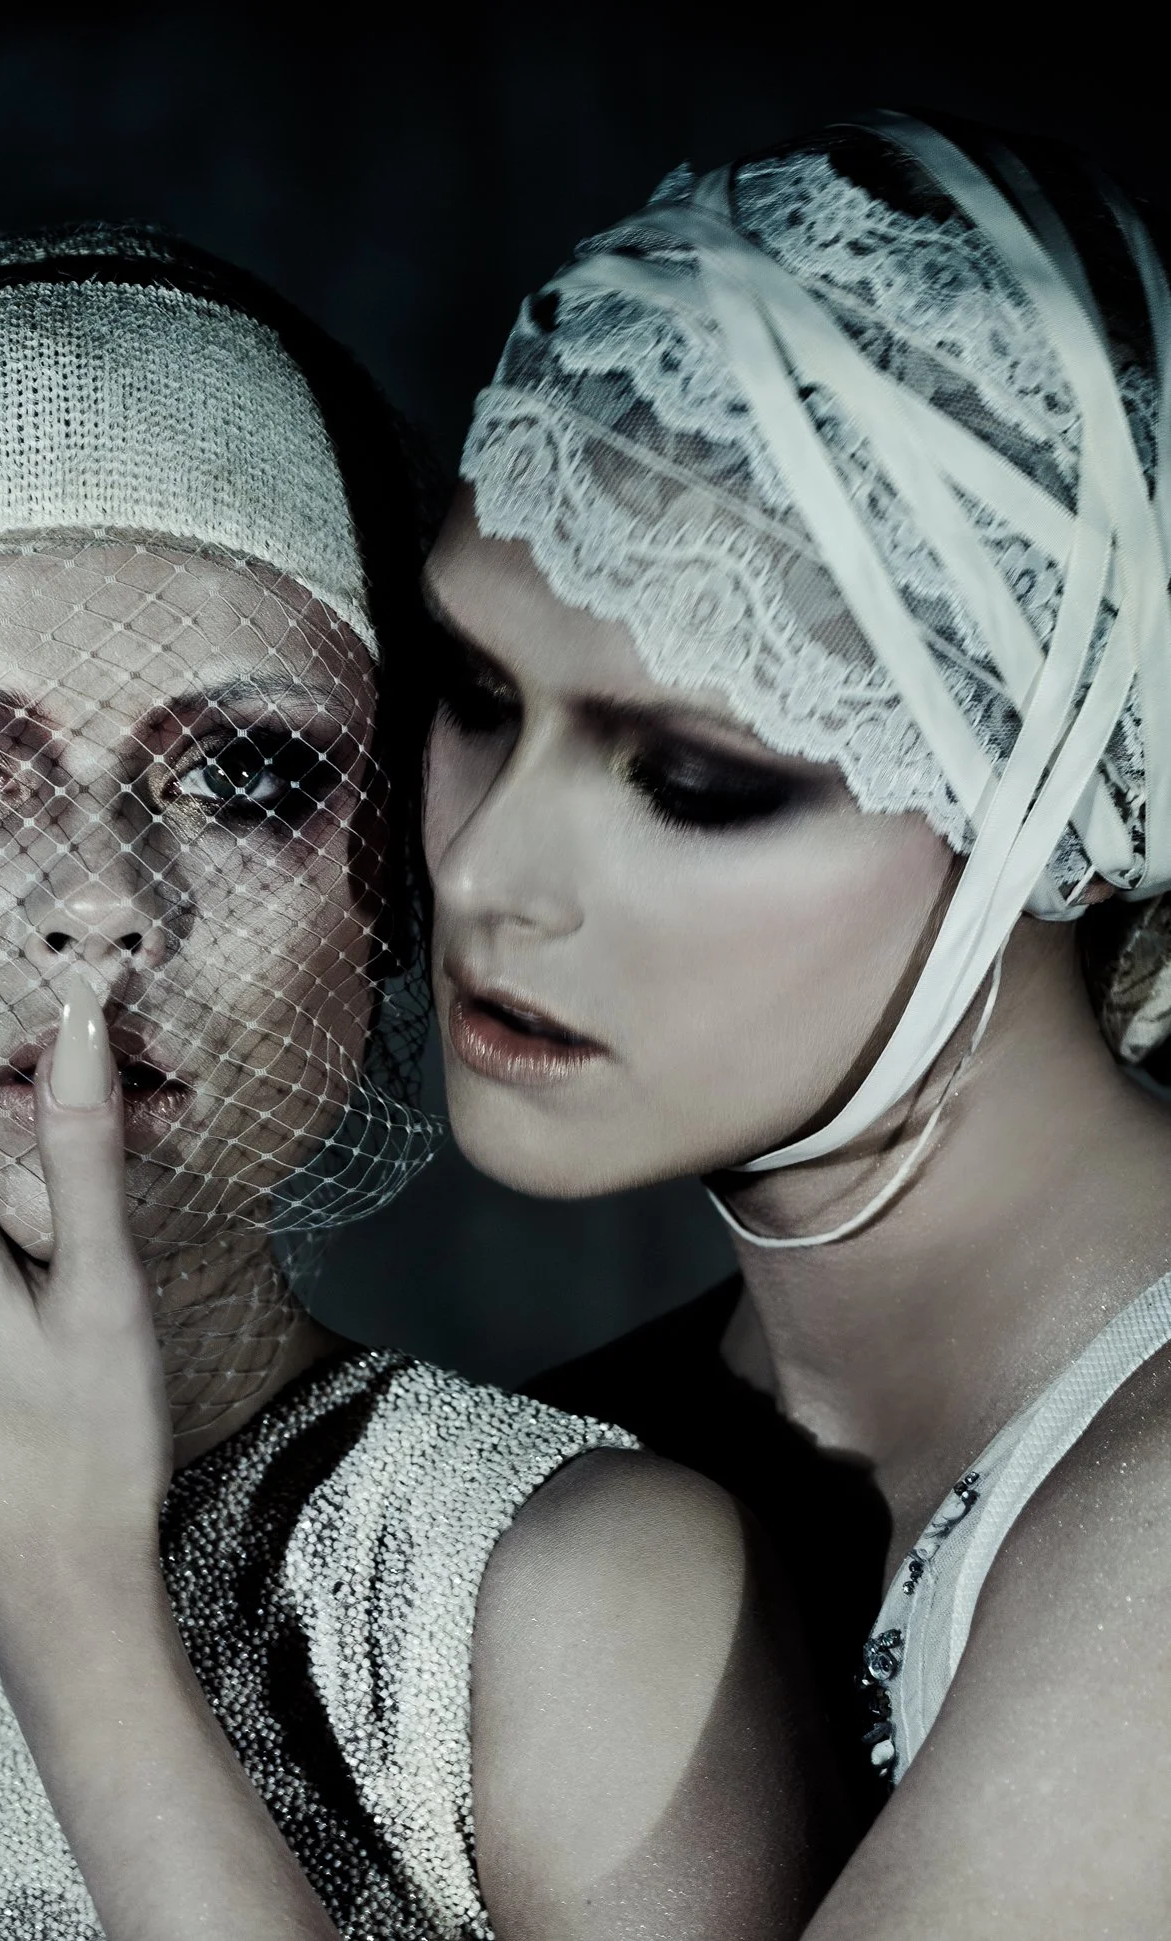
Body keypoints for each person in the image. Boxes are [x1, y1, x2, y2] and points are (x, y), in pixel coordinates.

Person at [0, 227, 831, 1939]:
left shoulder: (567, 1602)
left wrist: (73, 1611)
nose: (90, 899)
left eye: (248, 772)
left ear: (391, 883)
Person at [425, 111, 1171, 1929]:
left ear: (1054, 822)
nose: (483, 872)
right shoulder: (559, 1472)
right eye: (470, 695)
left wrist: (73, 1620)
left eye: (691, 779)